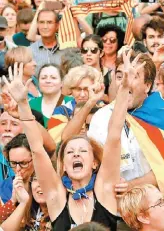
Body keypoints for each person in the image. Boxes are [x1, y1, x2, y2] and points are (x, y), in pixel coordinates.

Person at [5, 62, 121, 230]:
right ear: (63, 164)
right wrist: (23, 103)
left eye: (82, 150)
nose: (76, 154)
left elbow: (114, 137)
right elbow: (37, 149)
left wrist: (123, 90)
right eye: (70, 152)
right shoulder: (56, 198)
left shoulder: (105, 191)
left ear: (95, 162)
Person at [88, 52, 164, 200]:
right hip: (111, 205)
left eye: (134, 76)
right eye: (120, 76)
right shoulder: (101, 117)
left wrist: (130, 186)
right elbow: (93, 163)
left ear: (148, 85)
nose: (126, 81)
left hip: (152, 206)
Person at [48, 64, 104, 145]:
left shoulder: (104, 109)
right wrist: (89, 104)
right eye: (78, 89)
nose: (82, 94)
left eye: (87, 89)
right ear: (71, 90)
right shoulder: (61, 111)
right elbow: (62, 141)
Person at [29, 64, 72, 128]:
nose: (48, 81)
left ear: (62, 82)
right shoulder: (30, 105)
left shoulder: (71, 103)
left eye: (53, 78)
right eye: (43, 78)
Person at [29, 9, 66, 75]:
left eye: (49, 22)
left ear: (57, 25)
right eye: (42, 22)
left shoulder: (67, 49)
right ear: (37, 24)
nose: (45, 27)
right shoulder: (29, 51)